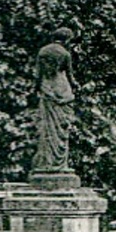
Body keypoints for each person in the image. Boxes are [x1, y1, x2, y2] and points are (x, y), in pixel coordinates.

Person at [32, 26, 77, 172]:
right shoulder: (65, 54)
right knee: (61, 127)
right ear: (67, 40)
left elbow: (38, 75)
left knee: (47, 127)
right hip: (61, 89)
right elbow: (70, 76)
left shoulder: (43, 51)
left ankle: (46, 162)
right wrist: (77, 86)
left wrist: (35, 89)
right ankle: (58, 164)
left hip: (47, 89)